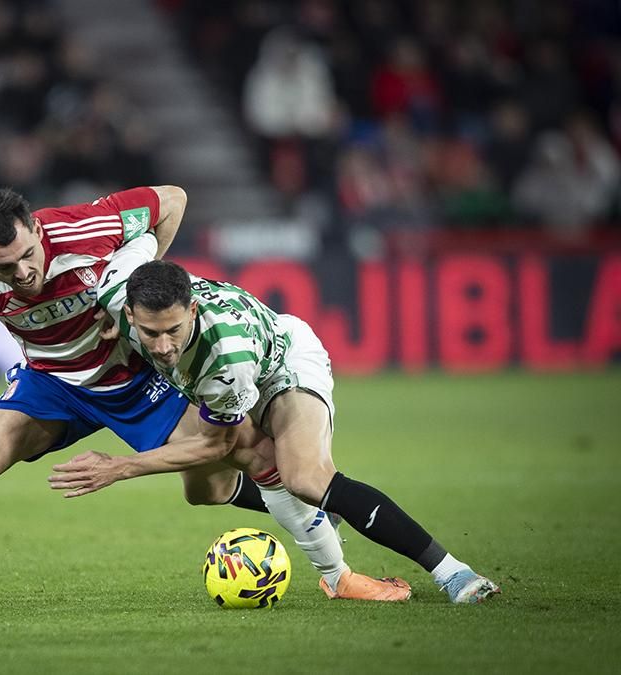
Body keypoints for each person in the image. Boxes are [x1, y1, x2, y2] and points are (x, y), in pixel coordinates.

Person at [0, 187, 403, 610]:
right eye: (5, 267)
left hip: (133, 378)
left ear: (36, 227)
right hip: (51, 383)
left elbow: (173, 199)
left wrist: (142, 284)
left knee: (252, 456)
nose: (24, 272)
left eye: (27, 254)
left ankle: (337, 576)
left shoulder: (86, 228)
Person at [50, 240, 500, 604]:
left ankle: (450, 573)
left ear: (191, 312)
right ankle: (324, 519)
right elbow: (144, 227)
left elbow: (217, 444)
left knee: (303, 476)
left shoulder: (226, 357)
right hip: (219, 381)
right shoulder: (115, 291)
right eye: (151, 333)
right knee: (206, 491)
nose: (164, 346)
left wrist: (121, 467)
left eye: (174, 331)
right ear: (128, 313)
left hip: (281, 364)